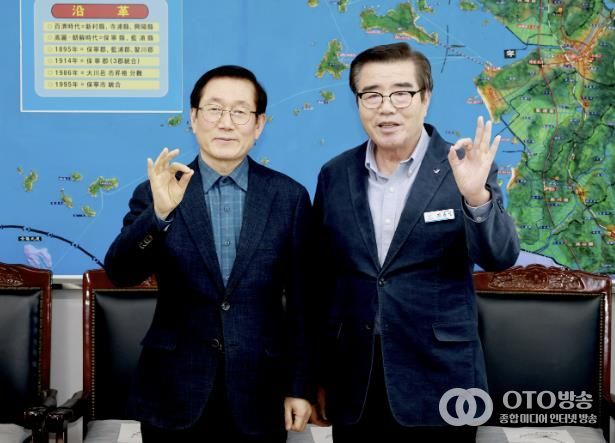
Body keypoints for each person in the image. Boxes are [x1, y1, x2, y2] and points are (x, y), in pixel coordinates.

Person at [309, 42, 520, 442]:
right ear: (358, 102)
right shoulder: (335, 175)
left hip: (442, 377)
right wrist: (315, 375)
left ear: (426, 98)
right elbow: (323, 282)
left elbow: (500, 256)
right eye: (372, 95)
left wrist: (475, 197)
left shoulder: (465, 167)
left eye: (402, 93)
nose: (386, 108)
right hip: (355, 380)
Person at [104, 65, 312, 443]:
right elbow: (120, 273)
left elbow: (303, 302)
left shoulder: (289, 197)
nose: (226, 123)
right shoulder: (158, 191)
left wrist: (299, 386)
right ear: (194, 118)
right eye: (214, 109)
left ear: (259, 125)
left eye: (240, 112)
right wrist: (159, 215)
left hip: (260, 391)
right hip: (173, 390)